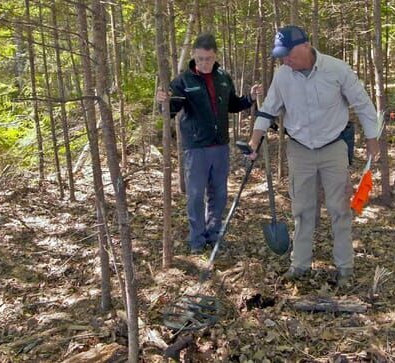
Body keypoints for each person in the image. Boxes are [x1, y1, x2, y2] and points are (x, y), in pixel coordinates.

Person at [248, 25, 379, 286]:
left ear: (305, 46)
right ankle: (300, 265)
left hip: (333, 147)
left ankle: (345, 268)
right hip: (299, 149)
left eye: (289, 54)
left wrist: (373, 138)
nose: (285, 59)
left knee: (340, 209)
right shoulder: (282, 76)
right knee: (302, 210)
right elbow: (268, 110)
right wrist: (255, 140)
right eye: (281, 55)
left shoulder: (336, 69)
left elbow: (362, 103)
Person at [157, 33, 263, 255]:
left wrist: (250, 98)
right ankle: (196, 238)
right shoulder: (183, 81)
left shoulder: (223, 77)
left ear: (216, 56)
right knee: (195, 195)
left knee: (219, 193)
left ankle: (213, 233)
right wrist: (163, 102)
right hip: (196, 148)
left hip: (220, 146)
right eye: (200, 58)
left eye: (209, 58)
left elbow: (233, 104)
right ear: (194, 56)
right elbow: (170, 111)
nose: (204, 63)